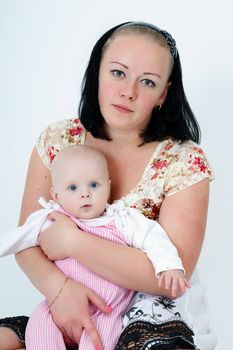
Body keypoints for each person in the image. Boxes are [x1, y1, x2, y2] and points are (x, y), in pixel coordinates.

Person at [0, 21, 217, 350]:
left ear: (164, 94)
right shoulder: (59, 140)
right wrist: (59, 290)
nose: (128, 91)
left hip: (152, 311)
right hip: (74, 297)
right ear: (97, 71)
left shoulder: (184, 161)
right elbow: (27, 239)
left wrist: (73, 241)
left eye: (147, 82)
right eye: (118, 73)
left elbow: (172, 278)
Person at [0, 144, 189, 350]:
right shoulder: (51, 218)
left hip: (106, 310)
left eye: (93, 185)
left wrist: (170, 265)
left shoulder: (121, 220)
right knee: (40, 329)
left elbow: (154, 238)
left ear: (108, 187)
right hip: (57, 306)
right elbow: (17, 238)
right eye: (73, 188)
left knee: (97, 343)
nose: (85, 194)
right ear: (56, 195)